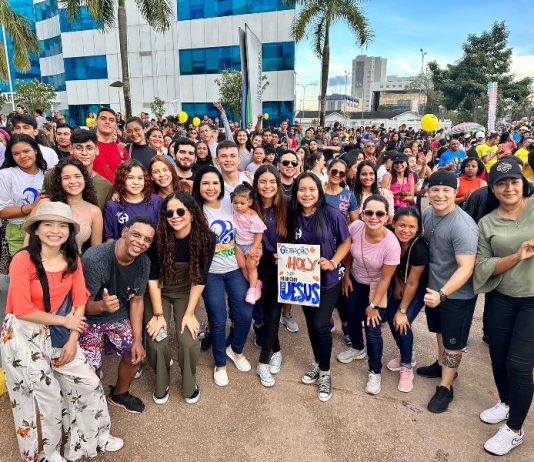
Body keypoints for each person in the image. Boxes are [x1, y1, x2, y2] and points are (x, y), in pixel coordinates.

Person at [1, 201, 123, 461]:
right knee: (43, 396)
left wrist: (73, 339)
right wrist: (65, 323)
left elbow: (79, 300)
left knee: (88, 383)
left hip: (61, 329)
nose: (55, 231)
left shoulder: (72, 259)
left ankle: (92, 439)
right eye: (48, 224)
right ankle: (45, 453)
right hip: (25, 333)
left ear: (70, 231)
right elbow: (22, 309)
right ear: (36, 229)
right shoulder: (23, 260)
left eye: (62, 226)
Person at [474, 159, 534, 456]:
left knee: (519, 364)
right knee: (498, 356)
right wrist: (516, 256)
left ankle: (514, 430)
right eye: (501, 183)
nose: (509, 188)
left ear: (523, 183)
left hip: (532, 300)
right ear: (493, 189)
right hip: (501, 296)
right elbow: (483, 266)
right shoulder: (487, 223)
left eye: (514, 181)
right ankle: (507, 401)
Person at [416, 170, 478, 413]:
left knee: (453, 342)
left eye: (446, 190)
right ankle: (442, 364)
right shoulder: (428, 213)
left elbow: (466, 268)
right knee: (440, 332)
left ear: (455, 192)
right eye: (435, 190)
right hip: (435, 289)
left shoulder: (463, 226)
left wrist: (442, 294)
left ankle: (446, 385)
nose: (440, 195)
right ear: (428, 192)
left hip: (456, 295)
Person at [80, 216, 155, 413]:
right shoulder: (95, 259)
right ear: (124, 232)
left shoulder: (144, 262)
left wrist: (137, 340)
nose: (141, 242)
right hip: (88, 318)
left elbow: (137, 300)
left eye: (147, 239)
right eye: (136, 235)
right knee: (88, 368)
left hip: (118, 315)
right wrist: (102, 306)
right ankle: (88, 405)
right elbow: (80, 306)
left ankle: (119, 394)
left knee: (135, 353)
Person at [145, 192, 215, 404]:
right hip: (159, 292)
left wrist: (190, 313)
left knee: (188, 340)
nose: (175, 216)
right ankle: (162, 380)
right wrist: (158, 315)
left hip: (186, 292)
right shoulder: (158, 238)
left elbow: (200, 279)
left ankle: (189, 382)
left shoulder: (206, 238)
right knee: (157, 340)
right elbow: (153, 279)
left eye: (180, 211)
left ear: (192, 213)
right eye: (169, 213)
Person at [287, 172, 351, 401]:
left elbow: (346, 241)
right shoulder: (292, 215)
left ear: (319, 191)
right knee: (312, 325)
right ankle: (318, 361)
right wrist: (283, 257)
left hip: (327, 281)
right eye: (302, 189)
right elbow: (289, 244)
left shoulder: (332, 214)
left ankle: (325, 373)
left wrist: (333, 261)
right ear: (296, 192)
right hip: (303, 281)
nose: (307, 194)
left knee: (320, 324)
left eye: (312, 189)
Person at [192, 166, 254, 387]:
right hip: (211, 275)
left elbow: (252, 216)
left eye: (215, 183)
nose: (211, 188)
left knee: (245, 314)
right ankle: (220, 363)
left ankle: (235, 350)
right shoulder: (195, 210)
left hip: (235, 269)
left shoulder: (232, 203)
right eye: (205, 183)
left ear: (221, 185)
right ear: (198, 186)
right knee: (218, 321)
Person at [338, 195, 400, 394]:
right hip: (356, 279)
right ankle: (357, 347)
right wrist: (346, 275)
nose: (374, 217)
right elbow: (348, 251)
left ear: (387, 217)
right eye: (369, 212)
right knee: (351, 314)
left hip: (378, 285)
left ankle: (375, 371)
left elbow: (386, 279)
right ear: (362, 214)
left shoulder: (391, 245)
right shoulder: (356, 227)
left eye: (380, 213)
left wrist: (373, 305)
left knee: (372, 327)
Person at [385, 206, 429, 393]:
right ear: (394, 223)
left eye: (412, 227)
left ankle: (406, 366)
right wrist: (396, 283)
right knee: (389, 317)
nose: (406, 230)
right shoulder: (388, 235)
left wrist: (402, 311)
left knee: (401, 323)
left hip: (417, 287)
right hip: (398, 280)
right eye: (402, 225)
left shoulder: (420, 248)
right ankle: (408, 354)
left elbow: (412, 283)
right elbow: (391, 264)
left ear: (418, 228)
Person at [252, 165, 288, 386]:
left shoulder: (287, 205)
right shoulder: (249, 206)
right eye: (263, 181)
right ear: (256, 184)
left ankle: (263, 362)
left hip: (281, 266)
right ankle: (277, 350)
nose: (268, 186)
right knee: (264, 314)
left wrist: (286, 252)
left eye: (272, 181)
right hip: (256, 267)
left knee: (274, 314)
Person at [0, 135, 47, 255]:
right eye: (16, 153)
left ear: (35, 150)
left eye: (26, 151)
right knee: (22, 265)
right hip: (18, 231)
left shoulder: (47, 175)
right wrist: (32, 207)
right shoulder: (5, 175)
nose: (22, 156)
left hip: (46, 228)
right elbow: (2, 212)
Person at [43, 157, 103, 251]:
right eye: (66, 178)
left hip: (77, 259)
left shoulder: (94, 211)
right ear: (59, 181)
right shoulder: (47, 204)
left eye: (77, 176)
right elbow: (29, 242)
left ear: (85, 178)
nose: (73, 181)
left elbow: (96, 252)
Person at [103, 159, 163, 240]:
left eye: (140, 178)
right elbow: (109, 239)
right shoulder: (112, 206)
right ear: (121, 179)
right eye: (130, 178)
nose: (136, 182)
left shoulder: (157, 201)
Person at [231, 183, 266, 304]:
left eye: (242, 203)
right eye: (235, 203)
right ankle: (256, 284)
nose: (238, 206)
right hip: (239, 245)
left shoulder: (253, 215)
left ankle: (252, 289)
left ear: (250, 202)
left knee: (251, 266)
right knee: (242, 266)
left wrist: (255, 248)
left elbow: (259, 233)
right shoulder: (235, 211)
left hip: (251, 245)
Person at [94, 108, 129, 183]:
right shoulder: (87, 148)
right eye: (103, 118)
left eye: (111, 120)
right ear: (96, 121)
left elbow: (129, 175)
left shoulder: (121, 150)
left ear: (116, 125)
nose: (107, 122)